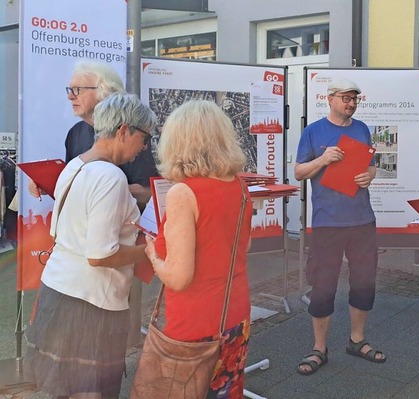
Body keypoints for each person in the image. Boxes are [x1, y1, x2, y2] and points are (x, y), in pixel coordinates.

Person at [24, 92, 157, 399]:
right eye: (144, 137)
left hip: (59, 292)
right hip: (91, 303)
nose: (144, 147)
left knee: (63, 390)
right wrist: (150, 249)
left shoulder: (75, 165)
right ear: (124, 130)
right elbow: (100, 255)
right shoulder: (110, 177)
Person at [142, 100, 253, 398]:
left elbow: (178, 278)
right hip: (235, 310)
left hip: (195, 320)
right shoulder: (240, 186)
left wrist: (153, 255)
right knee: (225, 390)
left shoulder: (183, 192)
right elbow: (243, 245)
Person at [294, 79, 384, 376]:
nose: (351, 103)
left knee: (363, 282)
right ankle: (319, 348)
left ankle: (357, 341)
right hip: (327, 222)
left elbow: (370, 165)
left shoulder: (361, 129)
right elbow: (298, 172)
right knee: (323, 287)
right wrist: (322, 158)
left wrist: (370, 175)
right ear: (329, 99)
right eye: (345, 98)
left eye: (354, 99)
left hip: (362, 220)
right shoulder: (312, 131)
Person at [28, 60, 157, 207]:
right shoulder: (75, 133)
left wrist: (102, 188)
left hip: (123, 223)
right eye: (69, 89)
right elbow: (77, 181)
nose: (70, 96)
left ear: (104, 91)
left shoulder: (132, 135)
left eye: (77, 89)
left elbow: (150, 192)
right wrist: (49, 182)